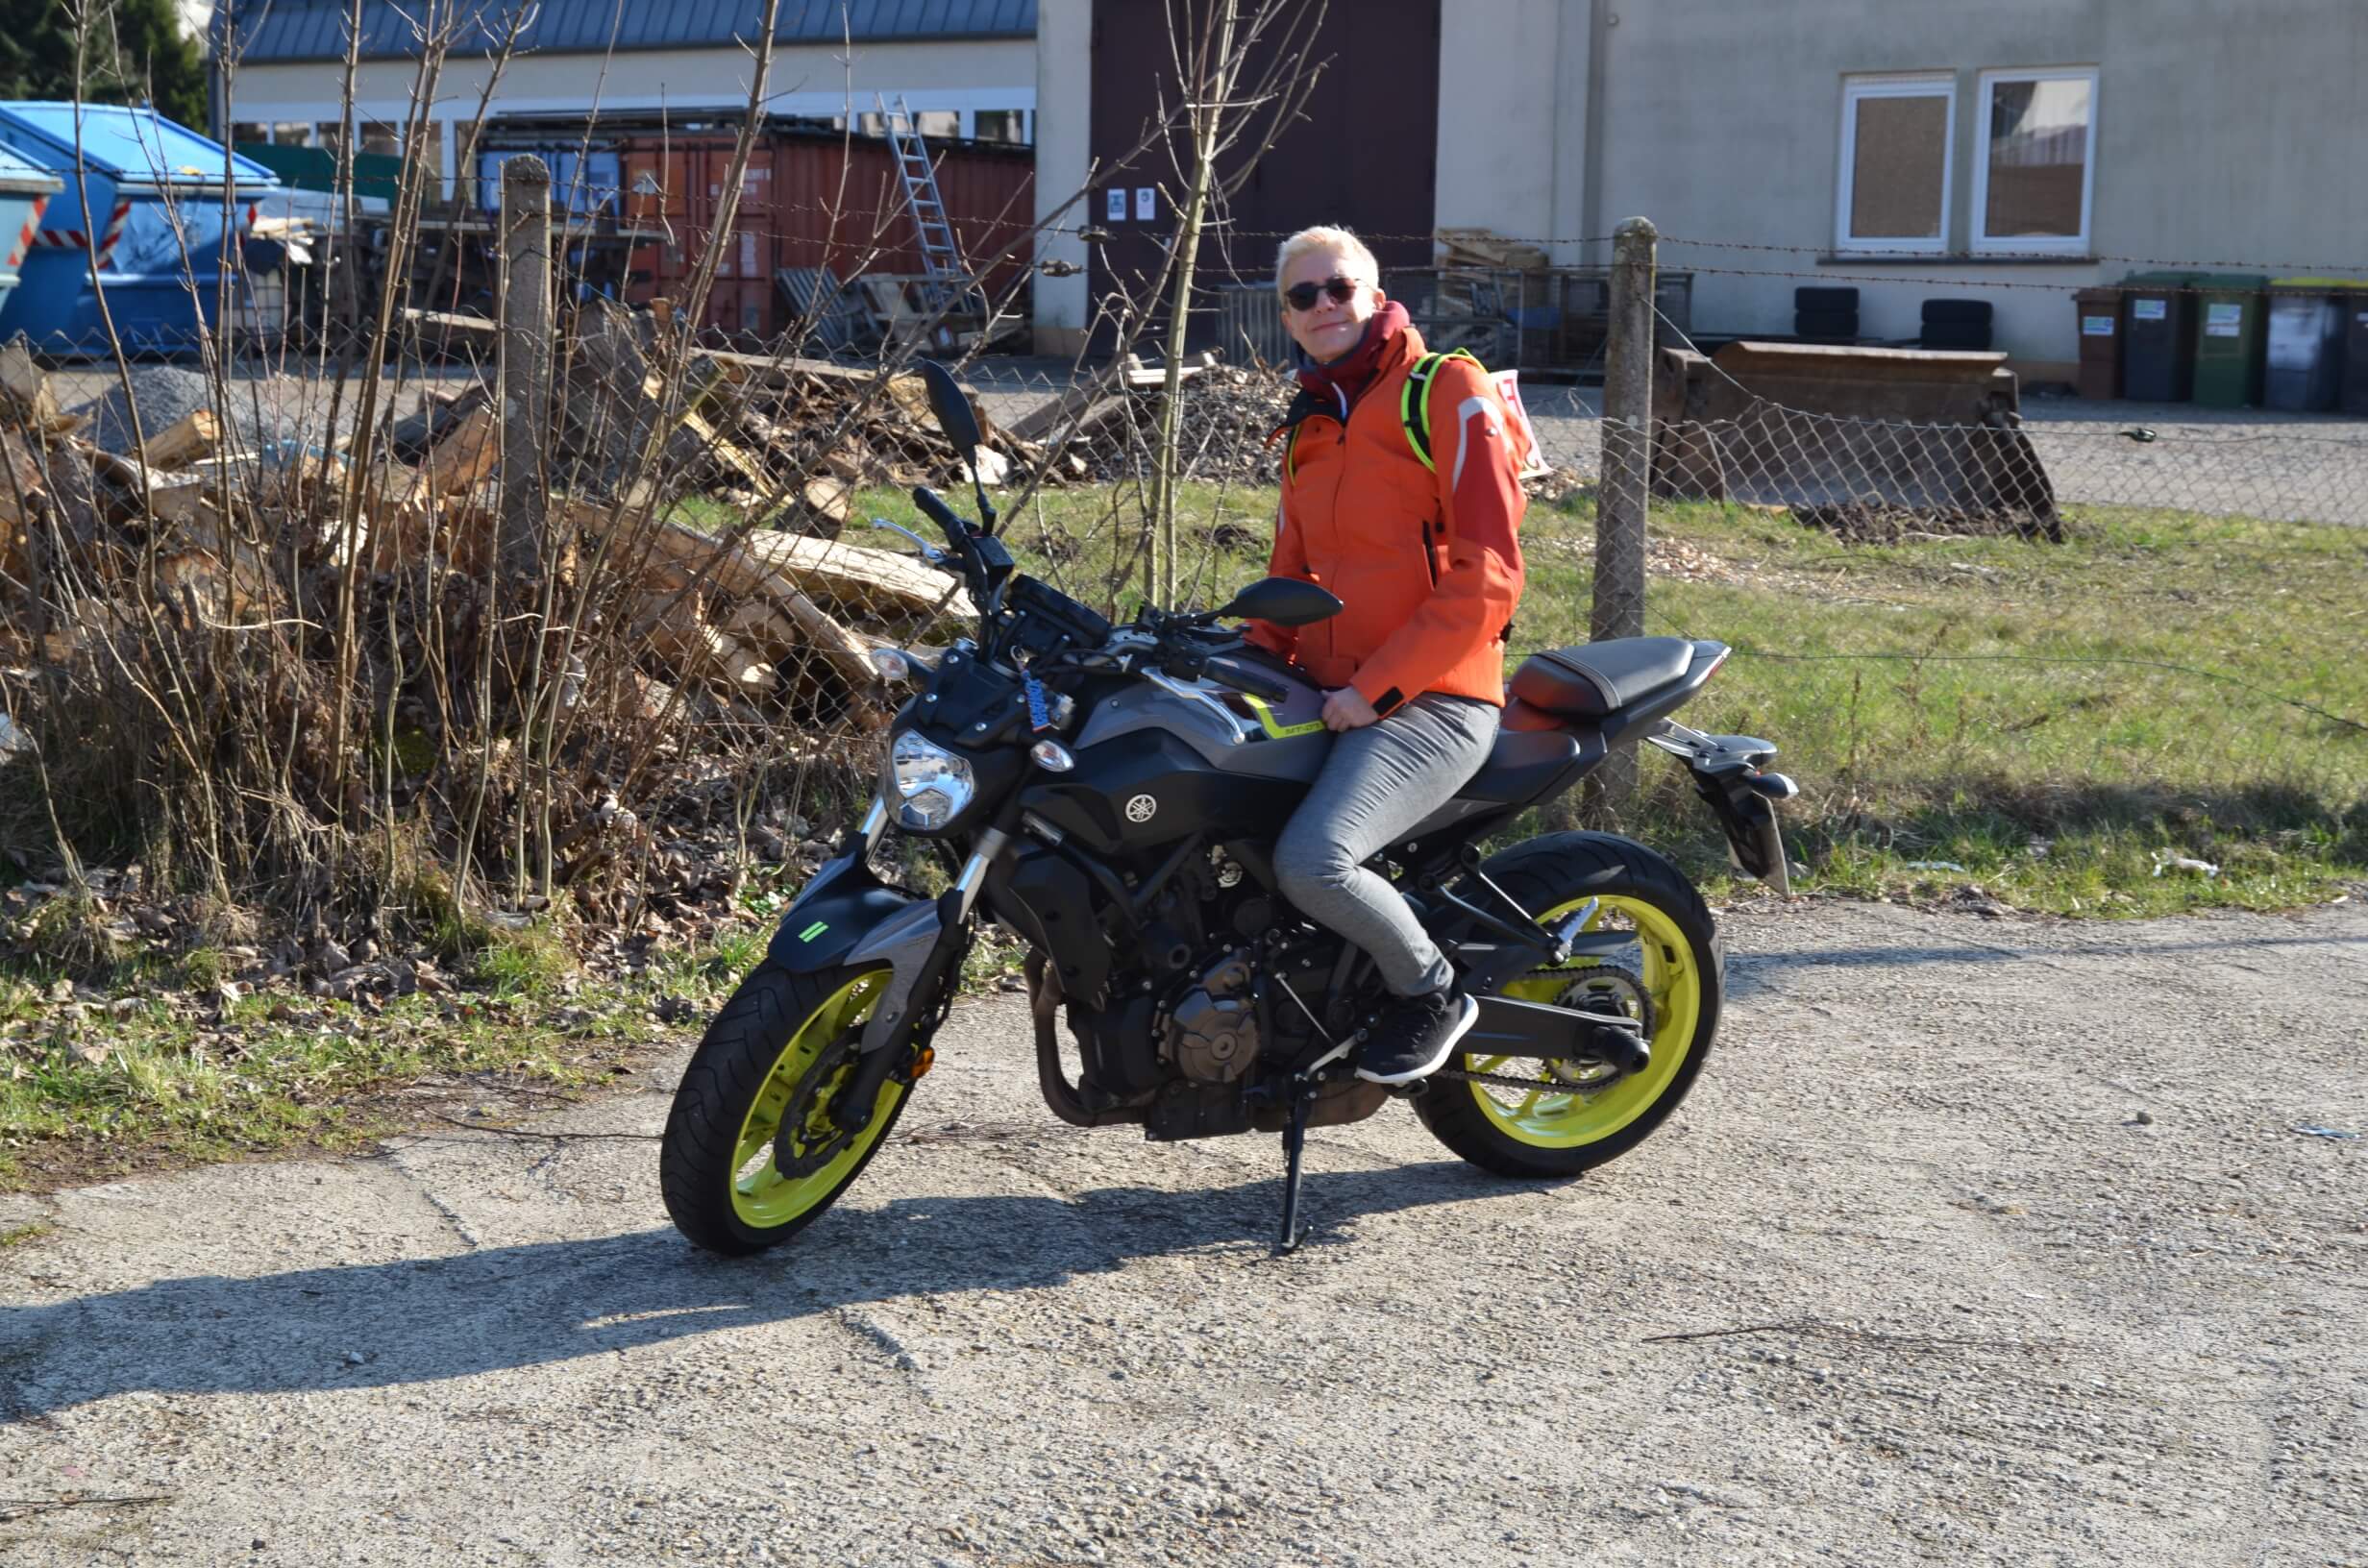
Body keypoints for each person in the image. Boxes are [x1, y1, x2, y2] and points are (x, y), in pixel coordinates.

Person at [1243, 225, 1527, 1086]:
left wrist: (1376, 688)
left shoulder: (1445, 389)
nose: (1323, 305)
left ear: (1375, 295)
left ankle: (1431, 992)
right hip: (1330, 693)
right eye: (1303, 295)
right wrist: (1238, 664)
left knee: (1312, 863)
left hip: (1435, 696)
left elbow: (1491, 574)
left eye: (1339, 288)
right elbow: (1289, 576)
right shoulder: (1308, 422)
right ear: (1287, 317)